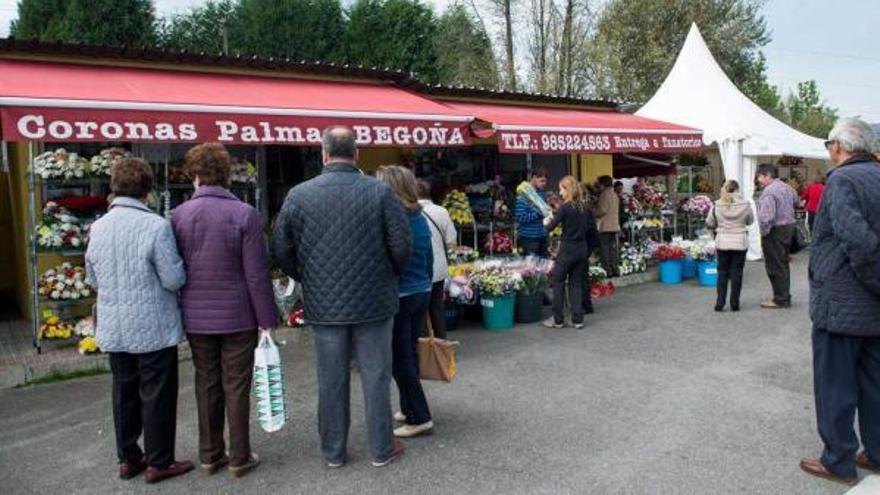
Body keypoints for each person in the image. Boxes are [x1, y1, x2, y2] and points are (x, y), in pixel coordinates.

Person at [273, 126, 410, 468]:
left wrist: (307, 275)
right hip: (375, 302)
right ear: (357, 154)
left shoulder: (299, 195)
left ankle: (333, 453)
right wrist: (387, 275)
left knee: (331, 380)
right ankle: (381, 449)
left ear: (323, 154)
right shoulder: (380, 193)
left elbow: (280, 248)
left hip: (324, 305)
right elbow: (401, 246)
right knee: (377, 376)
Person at [84, 158, 194, 483]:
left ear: (114, 187)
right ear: (147, 189)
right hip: (152, 324)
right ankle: (160, 461)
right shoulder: (156, 226)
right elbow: (173, 278)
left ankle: (128, 458)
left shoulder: (98, 227)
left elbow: (92, 277)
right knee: (157, 392)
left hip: (114, 323)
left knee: (123, 390)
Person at [171, 143, 277, 478]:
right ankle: (239, 457)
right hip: (238, 315)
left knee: (206, 383)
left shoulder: (177, 215)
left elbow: (176, 270)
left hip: (196, 316)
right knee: (237, 385)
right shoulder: (244, 214)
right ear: (226, 174)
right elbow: (257, 275)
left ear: (195, 175)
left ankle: (209, 455)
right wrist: (267, 321)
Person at [800, 118, 880, 485]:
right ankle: (876, 452)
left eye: (828, 144)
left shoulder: (843, 180)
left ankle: (838, 459)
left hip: (843, 304)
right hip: (871, 309)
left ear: (839, 147)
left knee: (835, 385)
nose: (829, 152)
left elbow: (859, 243)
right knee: (874, 384)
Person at [377, 167, 436, 438]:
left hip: (402, 294)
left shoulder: (394, 217)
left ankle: (419, 416)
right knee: (409, 353)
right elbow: (428, 256)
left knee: (400, 359)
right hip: (422, 289)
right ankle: (407, 405)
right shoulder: (418, 214)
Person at [541, 176, 599, 329]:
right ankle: (578, 319)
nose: (560, 193)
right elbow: (592, 229)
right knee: (576, 284)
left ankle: (558, 319)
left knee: (558, 281)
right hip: (582, 249)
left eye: (561, 189)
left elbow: (550, 227)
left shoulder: (565, 208)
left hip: (567, 249)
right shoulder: (585, 207)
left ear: (568, 190)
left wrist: (546, 221)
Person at [417, 179, 457, 340]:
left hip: (418, 268)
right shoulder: (441, 211)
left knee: (420, 311)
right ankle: (442, 343)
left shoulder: (408, 211)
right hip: (439, 267)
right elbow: (451, 240)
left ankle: (424, 347)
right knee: (437, 308)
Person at [705, 180, 754, 312]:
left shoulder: (717, 204)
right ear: (738, 189)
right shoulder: (745, 204)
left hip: (722, 242)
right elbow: (750, 221)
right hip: (739, 241)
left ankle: (720, 303)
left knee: (722, 273)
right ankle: (735, 303)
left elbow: (710, 222)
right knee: (737, 273)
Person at [756, 163, 798, 309]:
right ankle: (783, 295)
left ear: (767, 176)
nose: (759, 180)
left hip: (775, 231)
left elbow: (766, 217)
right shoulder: (787, 188)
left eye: (760, 177)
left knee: (775, 265)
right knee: (783, 264)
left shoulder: (769, 192)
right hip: (789, 228)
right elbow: (796, 202)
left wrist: (763, 233)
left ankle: (780, 299)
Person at [516, 169, 549, 257]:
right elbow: (520, 217)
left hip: (542, 235)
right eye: (542, 181)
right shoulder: (523, 195)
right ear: (534, 178)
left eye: (545, 181)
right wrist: (538, 214)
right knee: (531, 267)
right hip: (529, 238)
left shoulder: (542, 194)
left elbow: (545, 212)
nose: (544, 184)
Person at [594, 175, 621, 277]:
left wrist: (593, 212)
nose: (598, 186)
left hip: (605, 226)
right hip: (614, 225)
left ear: (603, 184)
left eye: (599, 184)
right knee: (612, 249)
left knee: (604, 249)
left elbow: (602, 210)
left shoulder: (605, 194)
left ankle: (608, 271)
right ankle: (615, 270)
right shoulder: (614, 194)